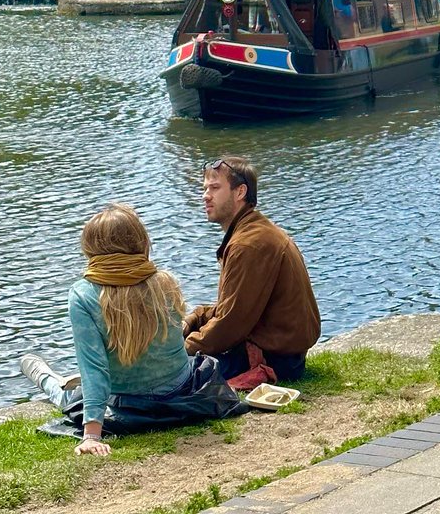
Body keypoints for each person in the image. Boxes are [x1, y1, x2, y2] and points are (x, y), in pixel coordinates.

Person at [20, 204, 244, 453]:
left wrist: (91, 435)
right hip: (181, 392)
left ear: (91, 247)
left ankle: (46, 379)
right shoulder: (164, 282)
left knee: (70, 399)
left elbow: (95, 369)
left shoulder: (82, 294)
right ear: (140, 242)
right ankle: (61, 380)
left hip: (127, 400)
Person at [184, 157, 321, 380]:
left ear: (240, 192)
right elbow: (233, 308)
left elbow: (229, 324)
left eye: (215, 188)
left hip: (273, 360)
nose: (205, 196)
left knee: (173, 375)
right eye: (205, 188)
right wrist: (193, 320)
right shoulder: (253, 232)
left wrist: (182, 350)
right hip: (282, 354)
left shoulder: (248, 245)